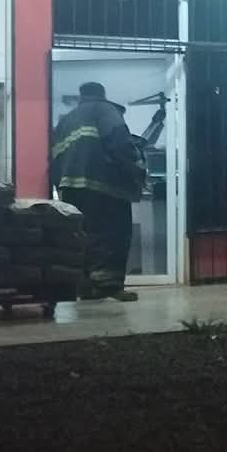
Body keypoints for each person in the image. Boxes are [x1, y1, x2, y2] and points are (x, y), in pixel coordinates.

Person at [51, 82, 146, 302]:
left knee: (83, 236)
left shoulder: (65, 121)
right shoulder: (105, 110)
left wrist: (60, 187)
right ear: (102, 95)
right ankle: (109, 286)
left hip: (70, 190)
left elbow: (54, 159)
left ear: (80, 96)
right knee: (113, 234)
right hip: (104, 187)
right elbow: (121, 144)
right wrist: (137, 170)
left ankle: (86, 286)